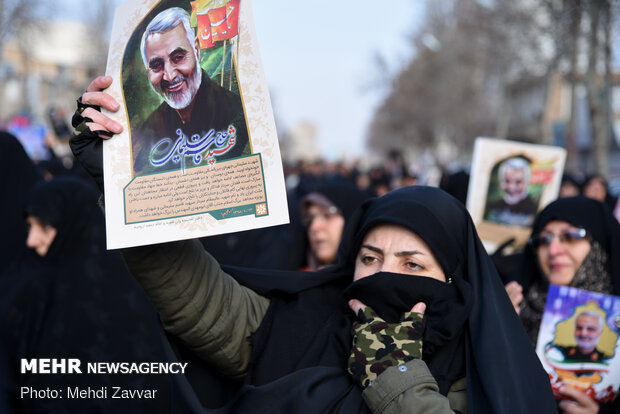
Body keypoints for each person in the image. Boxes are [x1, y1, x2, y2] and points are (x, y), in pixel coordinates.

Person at [71, 79, 558, 413]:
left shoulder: (493, 374)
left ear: (454, 280)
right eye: (370, 258)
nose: (384, 275)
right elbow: (198, 296)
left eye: (412, 263)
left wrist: (394, 376)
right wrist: (125, 177)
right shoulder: (308, 321)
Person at [0, 177, 173, 413]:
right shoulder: (24, 291)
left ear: (75, 226)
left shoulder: (126, 306)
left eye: (45, 227)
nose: (32, 240)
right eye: (29, 227)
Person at [505, 196, 620, 413]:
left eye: (571, 236)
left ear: (600, 243)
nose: (554, 249)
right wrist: (496, 327)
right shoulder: (515, 307)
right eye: (543, 239)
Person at [130, 7, 250, 176]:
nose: (170, 76)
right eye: (156, 65)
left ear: (197, 50)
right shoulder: (148, 132)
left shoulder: (238, 114)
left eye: (178, 57)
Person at [299, 181, 368, 270]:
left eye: (327, 215)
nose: (314, 227)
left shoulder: (371, 281)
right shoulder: (297, 278)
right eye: (309, 219)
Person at [484, 157, 538, 227]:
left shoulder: (533, 208)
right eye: (507, 181)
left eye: (518, 182)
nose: (512, 187)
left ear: (527, 182)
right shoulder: (493, 206)